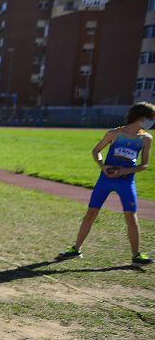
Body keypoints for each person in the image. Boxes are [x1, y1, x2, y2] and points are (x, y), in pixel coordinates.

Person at [56, 102, 153, 264]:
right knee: (91, 213)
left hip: (126, 182)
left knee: (131, 217)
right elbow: (96, 151)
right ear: (140, 117)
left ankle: (136, 255)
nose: (152, 121)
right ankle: (75, 249)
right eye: (151, 118)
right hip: (105, 180)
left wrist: (124, 172)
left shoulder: (146, 139)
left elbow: (144, 165)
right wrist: (103, 166)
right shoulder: (114, 133)